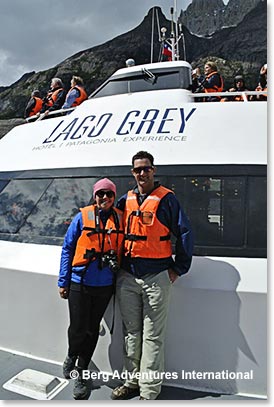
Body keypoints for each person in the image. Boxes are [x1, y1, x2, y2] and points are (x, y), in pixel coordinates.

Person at [111, 151, 193, 400]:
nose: (142, 173)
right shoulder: (126, 200)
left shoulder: (167, 199)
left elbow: (185, 233)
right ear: (132, 173)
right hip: (128, 275)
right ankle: (131, 382)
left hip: (156, 276)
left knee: (153, 336)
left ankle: (149, 391)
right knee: (131, 333)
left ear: (153, 170)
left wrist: (179, 268)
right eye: (137, 169)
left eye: (146, 168)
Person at [58, 178, 124, 400]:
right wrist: (63, 281)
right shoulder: (82, 218)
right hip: (80, 282)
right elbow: (68, 248)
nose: (104, 197)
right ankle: (71, 355)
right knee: (77, 328)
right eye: (100, 194)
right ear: (94, 196)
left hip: (104, 285)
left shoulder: (119, 219)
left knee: (92, 329)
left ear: (114, 197)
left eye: (109, 194)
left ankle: (81, 372)